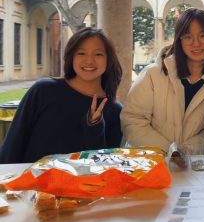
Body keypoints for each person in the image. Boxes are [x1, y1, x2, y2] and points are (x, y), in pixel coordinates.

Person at [0, 27, 123, 164]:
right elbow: (14, 142)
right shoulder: (44, 91)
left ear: (108, 59)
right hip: (29, 183)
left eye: (98, 54)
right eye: (81, 53)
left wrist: (94, 127)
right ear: (71, 57)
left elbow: (104, 166)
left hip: (78, 185)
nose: (89, 60)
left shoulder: (115, 111)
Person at [121, 7, 204, 151]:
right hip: (153, 163)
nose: (196, 43)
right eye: (188, 36)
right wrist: (170, 152)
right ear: (179, 40)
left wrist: (187, 151)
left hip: (194, 167)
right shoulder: (152, 74)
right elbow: (133, 120)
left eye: (203, 35)